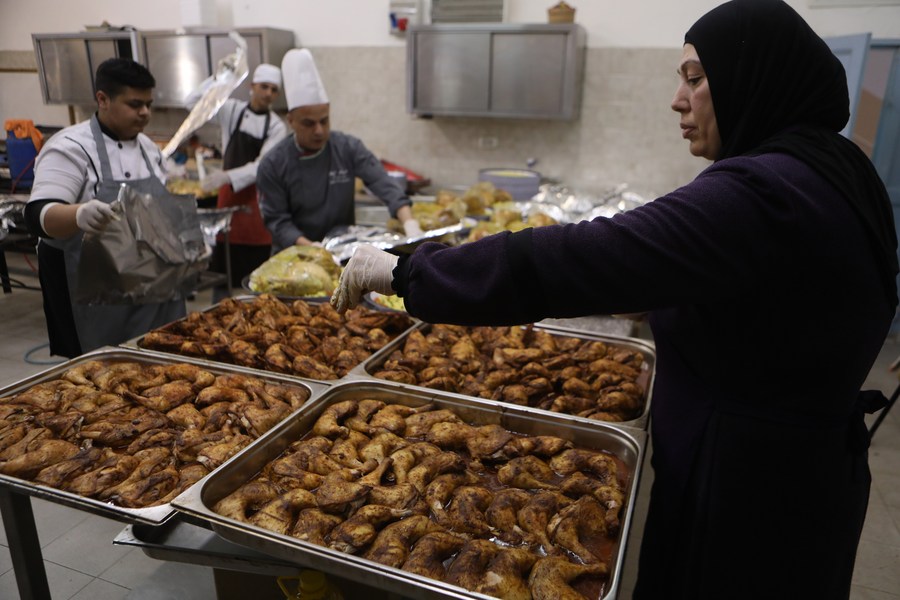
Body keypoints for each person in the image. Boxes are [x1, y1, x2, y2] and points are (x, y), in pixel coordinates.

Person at [331, 1, 898, 598]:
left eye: (696, 78)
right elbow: (778, 304)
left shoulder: (764, 192)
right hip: (801, 476)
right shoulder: (835, 168)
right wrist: (662, 298)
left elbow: (576, 257)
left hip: (748, 499)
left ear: (754, 79)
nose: (678, 100)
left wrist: (410, 272)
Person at [24, 58, 186, 358]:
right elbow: (37, 216)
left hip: (151, 288)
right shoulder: (70, 147)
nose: (145, 113)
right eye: (135, 104)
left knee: (162, 362)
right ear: (103, 99)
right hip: (93, 294)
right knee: (100, 371)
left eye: (148, 104)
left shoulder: (149, 149)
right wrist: (78, 214)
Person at [257, 48, 422, 252]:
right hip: (294, 257)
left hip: (343, 252)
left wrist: (410, 223)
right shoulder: (272, 165)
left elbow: (383, 182)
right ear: (291, 121)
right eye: (309, 123)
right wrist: (313, 248)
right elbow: (278, 222)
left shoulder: (347, 148)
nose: (319, 130)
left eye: (324, 121)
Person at [186, 63, 289, 299]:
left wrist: (227, 176)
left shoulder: (276, 126)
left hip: (257, 206)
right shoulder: (232, 110)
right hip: (228, 203)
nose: (268, 93)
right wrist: (220, 78)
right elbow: (192, 104)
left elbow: (262, 167)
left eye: (274, 90)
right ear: (252, 86)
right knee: (223, 273)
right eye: (264, 87)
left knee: (256, 280)